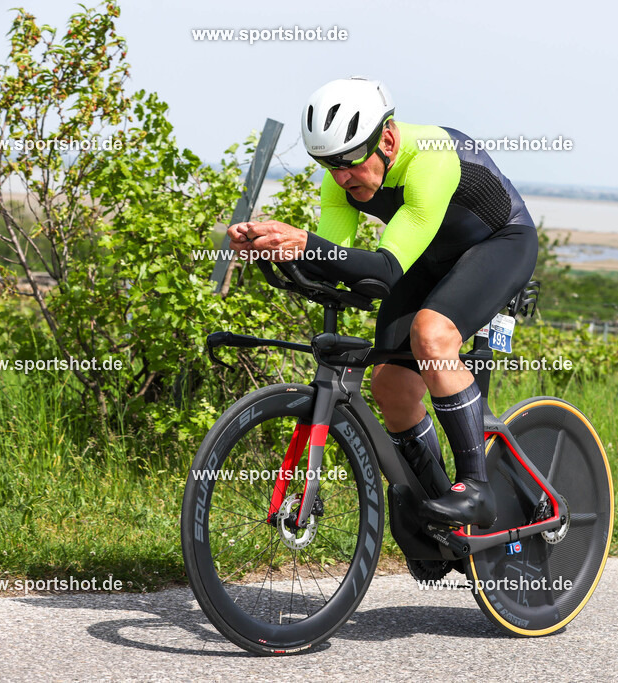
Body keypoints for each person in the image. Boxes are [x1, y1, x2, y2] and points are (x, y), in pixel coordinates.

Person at [227, 77, 538, 528]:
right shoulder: (341, 179)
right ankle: (434, 509)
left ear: (387, 139)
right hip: (428, 259)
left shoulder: (429, 159)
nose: (340, 178)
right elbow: (334, 267)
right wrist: (271, 247)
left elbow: (386, 269)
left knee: (432, 336)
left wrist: (305, 242)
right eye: (327, 165)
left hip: (500, 244)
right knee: (389, 383)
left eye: (349, 163)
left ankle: (476, 488)